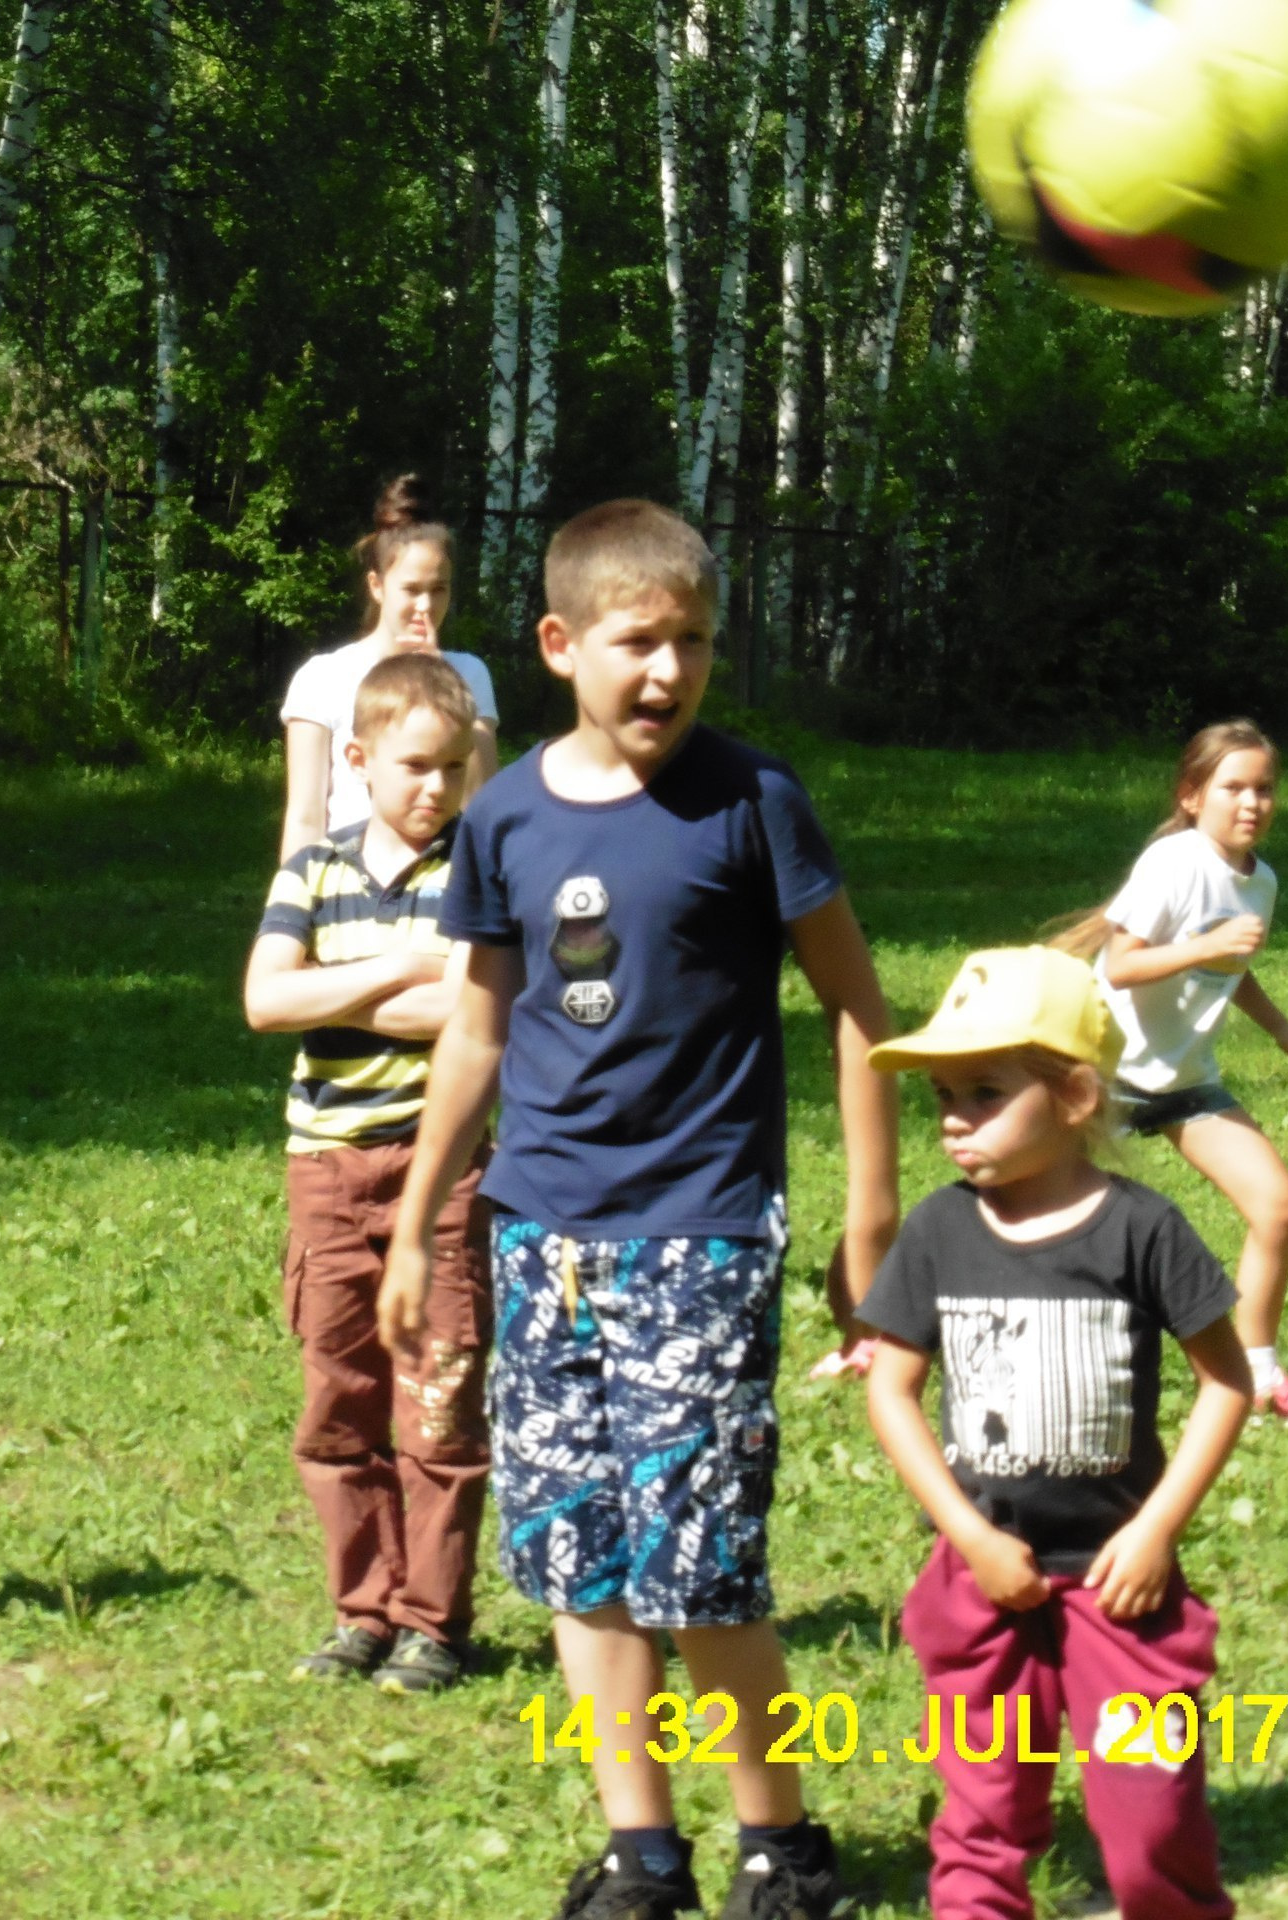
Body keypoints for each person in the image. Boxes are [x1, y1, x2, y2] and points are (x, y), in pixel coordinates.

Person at [378, 500, 900, 1920]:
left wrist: (870, 1226)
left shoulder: (753, 802)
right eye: (637, 643)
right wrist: (430, 1219)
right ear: (559, 646)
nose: (667, 672)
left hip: (701, 1234)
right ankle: (641, 1850)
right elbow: (477, 1034)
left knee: (704, 1564)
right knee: (580, 1559)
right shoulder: (504, 821)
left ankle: (780, 1846)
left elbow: (859, 1009)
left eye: (693, 644)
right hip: (540, 1238)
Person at [857, 945, 1252, 1920]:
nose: (953, 1118)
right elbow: (891, 1393)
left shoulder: (1142, 1230)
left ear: (1075, 1094)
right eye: (942, 1094)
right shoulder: (938, 1233)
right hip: (983, 1584)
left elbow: (1226, 1384)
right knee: (981, 1815)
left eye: (984, 1092)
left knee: (1151, 1809)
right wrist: (970, 1537)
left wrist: (1156, 1532)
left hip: (1122, 1590)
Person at [245, 653, 490, 1694]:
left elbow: (480, 1010)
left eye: (451, 770)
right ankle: (363, 1613)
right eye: (414, 769)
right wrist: (395, 971)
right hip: (329, 1173)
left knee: (438, 1395)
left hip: (448, 1176)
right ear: (358, 761)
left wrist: (334, 989)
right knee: (337, 1399)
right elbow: (264, 1001)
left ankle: (433, 1621)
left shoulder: (479, 874)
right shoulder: (311, 870)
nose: (435, 790)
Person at [1052, 719, 1288, 1424]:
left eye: (1265, 789)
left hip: (1183, 1081)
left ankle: (1258, 1377)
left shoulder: (1261, 882)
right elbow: (1122, 964)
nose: (1252, 804)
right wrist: (1207, 942)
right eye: (1233, 788)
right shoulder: (1176, 863)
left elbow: (1231, 968)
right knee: (1030, 1209)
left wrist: (1284, 1031)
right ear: (1191, 796)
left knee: (1280, 1208)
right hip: (1105, 1072)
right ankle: (906, 1326)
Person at [278, 474, 501, 862]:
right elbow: (305, 817)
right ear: (377, 586)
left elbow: (482, 804)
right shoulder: (322, 678)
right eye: (412, 590)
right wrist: (291, 910)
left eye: (439, 589)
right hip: (345, 881)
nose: (426, 606)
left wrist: (441, 684)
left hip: (441, 878)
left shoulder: (469, 674)